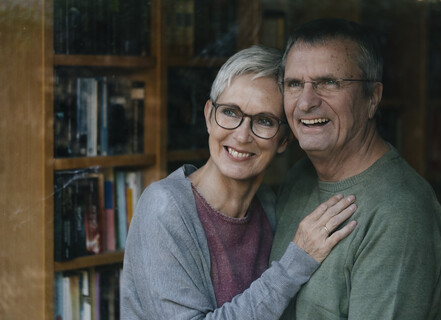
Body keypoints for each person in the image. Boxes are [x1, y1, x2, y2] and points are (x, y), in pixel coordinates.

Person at [121, 45, 358, 320]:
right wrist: (296, 262)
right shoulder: (164, 207)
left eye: (265, 121)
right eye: (231, 113)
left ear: (284, 139)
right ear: (209, 116)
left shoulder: (268, 205)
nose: (242, 136)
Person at [269, 18, 441, 319]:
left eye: (329, 82)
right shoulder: (298, 177)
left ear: (372, 98)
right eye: (294, 84)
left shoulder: (400, 213)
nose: (306, 102)